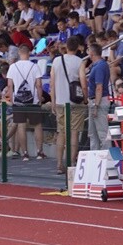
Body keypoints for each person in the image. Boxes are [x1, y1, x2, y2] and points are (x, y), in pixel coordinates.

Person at [50, 36, 85, 175]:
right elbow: (83, 81)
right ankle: (71, 163)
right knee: (74, 132)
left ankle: (59, 164)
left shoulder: (56, 61)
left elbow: (52, 83)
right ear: (78, 47)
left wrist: (53, 101)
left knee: (61, 132)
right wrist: (85, 98)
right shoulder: (79, 61)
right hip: (75, 101)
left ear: (66, 46)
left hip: (60, 100)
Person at [82, 43, 111, 150]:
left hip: (98, 101)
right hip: (95, 100)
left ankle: (106, 155)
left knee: (102, 132)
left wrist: (96, 105)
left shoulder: (99, 66)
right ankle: (95, 154)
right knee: (93, 133)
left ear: (92, 53)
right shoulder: (98, 65)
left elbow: (99, 87)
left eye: (88, 50)